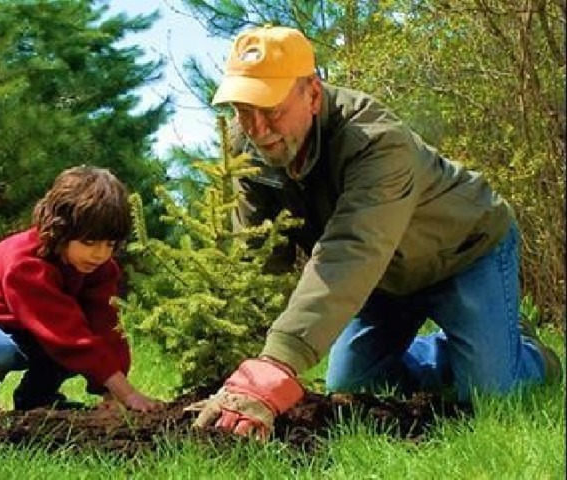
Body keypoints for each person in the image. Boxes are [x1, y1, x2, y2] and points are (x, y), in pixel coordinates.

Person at [189, 25, 562, 441]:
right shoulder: (250, 149)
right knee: (351, 388)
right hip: (383, 278)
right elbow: (258, 257)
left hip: (464, 254)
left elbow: (353, 248)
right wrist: (243, 352)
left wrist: (281, 360)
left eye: (271, 110)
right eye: (244, 109)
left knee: (491, 393)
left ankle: (528, 354)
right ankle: (460, 346)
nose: (257, 128)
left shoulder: (375, 142)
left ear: (312, 94)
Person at [0, 165, 161, 419]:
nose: (100, 254)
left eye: (110, 244)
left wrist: (111, 393)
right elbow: (66, 336)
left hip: (36, 332)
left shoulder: (99, 269)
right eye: (89, 242)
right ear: (60, 230)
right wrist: (129, 393)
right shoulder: (25, 264)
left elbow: (106, 328)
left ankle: (36, 401)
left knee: (82, 348)